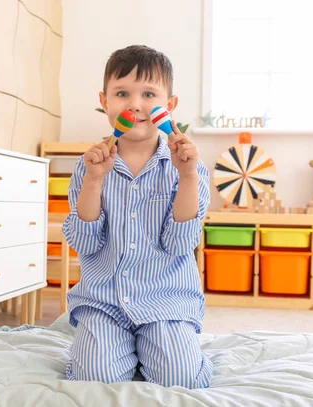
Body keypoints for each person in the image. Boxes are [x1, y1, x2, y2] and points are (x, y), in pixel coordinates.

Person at [62, 44, 212, 389]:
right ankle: (111, 347)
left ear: (169, 106)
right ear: (105, 101)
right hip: (104, 302)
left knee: (182, 379)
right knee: (93, 379)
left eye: (148, 93)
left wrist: (186, 176)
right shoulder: (88, 167)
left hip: (167, 300)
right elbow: (84, 241)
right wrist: (95, 181)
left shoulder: (190, 168)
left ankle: (171, 349)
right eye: (122, 93)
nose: (135, 104)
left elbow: (181, 243)